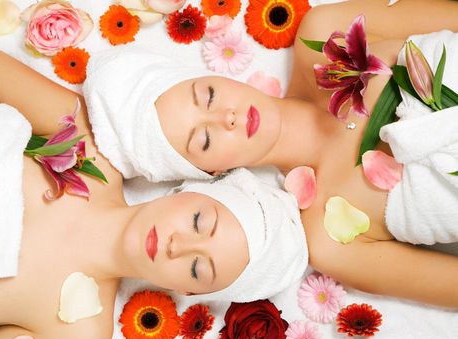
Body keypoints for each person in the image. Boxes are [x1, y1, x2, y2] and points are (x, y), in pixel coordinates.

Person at [0, 32, 308, 339]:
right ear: (189, 190)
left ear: (188, 293)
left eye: (197, 267)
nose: (177, 245)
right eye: (198, 220)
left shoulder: (79, 335)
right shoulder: (82, 145)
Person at [82, 0, 458, 308]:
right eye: (205, 141)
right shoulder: (331, 243)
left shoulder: (325, 30)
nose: (226, 117)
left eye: (208, 95)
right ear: (208, 176)